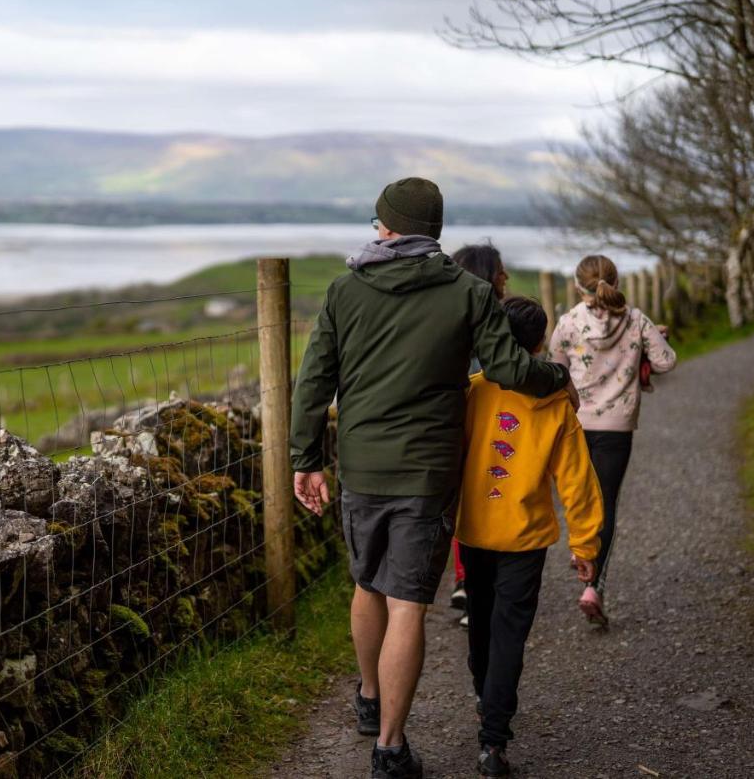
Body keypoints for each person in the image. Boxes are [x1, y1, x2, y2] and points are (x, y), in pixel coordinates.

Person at [290, 177, 577, 779]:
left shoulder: (346, 290)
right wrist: (555, 378)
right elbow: (505, 366)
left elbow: (314, 380)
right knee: (407, 605)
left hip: (363, 464)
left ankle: (370, 697)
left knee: (367, 585)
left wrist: (305, 459)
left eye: (379, 222)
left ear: (391, 228)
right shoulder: (469, 292)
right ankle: (390, 749)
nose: (375, 231)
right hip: (427, 472)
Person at [456, 295, 604, 777]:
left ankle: (485, 698)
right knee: (509, 634)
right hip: (526, 538)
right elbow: (578, 482)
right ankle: (493, 741)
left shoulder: (474, 392)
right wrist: (586, 546)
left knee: (480, 621)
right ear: (541, 343)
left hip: (474, 530)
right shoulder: (555, 402)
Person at [549, 255, 677, 627]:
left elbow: (555, 370)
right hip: (617, 427)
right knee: (606, 503)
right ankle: (594, 588)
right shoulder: (636, 320)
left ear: (578, 286)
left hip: (574, 424)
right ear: (615, 283)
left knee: (575, 495)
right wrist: (655, 340)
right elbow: (666, 362)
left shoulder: (569, 323)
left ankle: (579, 549)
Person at [448, 243, 510, 627]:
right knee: (487, 500)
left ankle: (465, 580)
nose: (506, 277)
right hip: (491, 426)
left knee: (465, 503)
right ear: (487, 276)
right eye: (501, 270)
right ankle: (476, 583)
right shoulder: (499, 319)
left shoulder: (446, 317)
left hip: (454, 424)